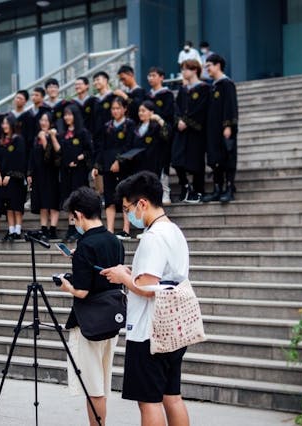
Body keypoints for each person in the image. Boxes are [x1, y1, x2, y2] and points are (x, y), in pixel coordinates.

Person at [101, 171, 190, 426]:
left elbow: (148, 288)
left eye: (127, 208)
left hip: (148, 330)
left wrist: (123, 277)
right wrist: (132, 275)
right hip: (173, 325)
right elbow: (162, 278)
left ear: (142, 203)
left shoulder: (153, 238)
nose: (128, 214)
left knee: (148, 400)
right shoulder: (173, 231)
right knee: (171, 395)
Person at [58, 186, 125, 426]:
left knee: (93, 387)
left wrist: (67, 286)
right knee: (102, 383)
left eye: (72, 218)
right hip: (112, 317)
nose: (72, 222)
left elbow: (83, 291)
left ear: (78, 214)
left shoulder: (86, 245)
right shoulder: (114, 240)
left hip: (89, 322)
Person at [92, 96, 133, 239]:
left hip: (125, 166)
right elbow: (101, 147)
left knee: (125, 197)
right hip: (107, 165)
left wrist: (119, 161)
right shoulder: (107, 126)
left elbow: (129, 146)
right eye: (113, 109)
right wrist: (97, 165)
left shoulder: (130, 124)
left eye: (118, 108)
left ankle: (126, 229)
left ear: (124, 109)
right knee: (109, 198)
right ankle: (109, 230)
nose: (115, 111)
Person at [50, 104, 93, 242]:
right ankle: (71, 227)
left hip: (79, 172)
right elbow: (60, 152)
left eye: (70, 114)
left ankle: (80, 228)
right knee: (69, 199)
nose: (67, 117)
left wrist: (80, 158)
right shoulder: (63, 134)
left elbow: (89, 150)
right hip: (66, 171)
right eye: (65, 115)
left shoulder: (82, 132)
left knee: (79, 199)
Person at [171, 59, 210, 203]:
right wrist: (179, 121)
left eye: (185, 69)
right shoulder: (183, 89)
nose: (183, 72)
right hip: (181, 131)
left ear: (194, 70)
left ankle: (198, 191)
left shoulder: (204, 88)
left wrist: (187, 122)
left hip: (196, 131)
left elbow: (201, 108)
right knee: (176, 160)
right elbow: (177, 108)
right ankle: (185, 185)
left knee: (196, 161)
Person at [202, 53, 239, 203]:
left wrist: (228, 125)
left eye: (209, 66)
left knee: (227, 158)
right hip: (213, 131)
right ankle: (217, 189)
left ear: (217, 65)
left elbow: (231, 106)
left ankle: (229, 189)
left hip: (224, 130)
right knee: (215, 159)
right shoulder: (213, 86)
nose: (207, 69)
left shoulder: (227, 84)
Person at [27, 111, 61, 241]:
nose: (43, 123)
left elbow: (51, 157)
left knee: (52, 202)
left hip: (51, 173)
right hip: (39, 174)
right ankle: (44, 228)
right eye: (42, 120)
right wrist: (29, 173)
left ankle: (53, 229)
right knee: (42, 203)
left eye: (46, 120)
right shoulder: (37, 137)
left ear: (51, 122)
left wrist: (45, 139)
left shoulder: (53, 135)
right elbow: (31, 157)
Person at [146, 66, 175, 205]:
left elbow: (170, 115)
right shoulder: (148, 95)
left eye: (153, 75)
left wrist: (158, 118)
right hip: (150, 134)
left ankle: (165, 192)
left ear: (161, 77)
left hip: (163, 134)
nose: (150, 78)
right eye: (149, 76)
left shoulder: (167, 94)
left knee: (163, 163)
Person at [0, 114, 27, 241]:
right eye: (3, 124)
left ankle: (17, 230)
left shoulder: (18, 139)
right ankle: (11, 230)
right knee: (8, 205)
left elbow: (20, 159)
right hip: (3, 179)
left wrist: (10, 174)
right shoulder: (2, 141)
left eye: (6, 123)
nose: (4, 126)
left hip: (16, 178)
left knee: (16, 205)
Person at [92, 71, 116, 195]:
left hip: (111, 137)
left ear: (106, 80)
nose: (96, 82)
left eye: (98, 79)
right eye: (94, 80)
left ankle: (112, 195)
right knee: (97, 165)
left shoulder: (113, 97)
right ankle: (99, 194)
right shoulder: (95, 100)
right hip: (97, 138)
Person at [11, 90, 35, 160]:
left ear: (25, 101)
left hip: (24, 150)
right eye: (16, 98)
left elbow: (30, 137)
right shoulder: (9, 116)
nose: (18, 100)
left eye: (20, 99)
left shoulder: (29, 116)